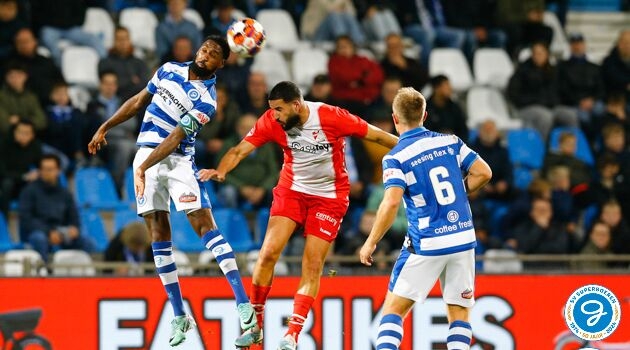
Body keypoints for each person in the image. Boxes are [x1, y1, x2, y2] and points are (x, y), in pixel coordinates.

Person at [200, 80, 399, 349]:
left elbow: (376, 135)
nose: (276, 116)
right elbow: (238, 150)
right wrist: (221, 171)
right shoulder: (272, 120)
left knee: (313, 263)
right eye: (273, 110)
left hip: (329, 197)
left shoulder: (331, 116)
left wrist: (412, 148)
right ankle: (255, 325)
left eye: (280, 110)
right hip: (291, 191)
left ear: (296, 104)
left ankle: (292, 333)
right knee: (268, 253)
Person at [86, 35, 256, 347]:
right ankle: (180, 315)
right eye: (205, 48)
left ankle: (243, 304)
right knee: (157, 233)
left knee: (205, 226)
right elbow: (138, 101)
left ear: (222, 63)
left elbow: (176, 137)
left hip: (177, 163)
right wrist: (105, 127)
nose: (206, 54)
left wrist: (142, 167)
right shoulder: (167, 70)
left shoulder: (207, 100)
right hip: (145, 157)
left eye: (214, 53)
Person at [358, 87, 492, 350]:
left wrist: (371, 241)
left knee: (393, 311)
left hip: (427, 241)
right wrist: (457, 192)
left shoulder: (396, 157)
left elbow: (392, 201)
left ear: (395, 118)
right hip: (463, 238)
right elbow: (484, 173)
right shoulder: (450, 141)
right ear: (425, 115)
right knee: (459, 314)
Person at [18, 154, 94, 262]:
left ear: (58, 170)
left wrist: (74, 228)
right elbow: (26, 219)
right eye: (44, 169)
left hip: (61, 232)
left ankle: (89, 276)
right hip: (37, 232)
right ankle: (44, 273)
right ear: (40, 171)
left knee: (87, 242)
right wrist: (48, 232)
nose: (47, 173)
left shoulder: (65, 193)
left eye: (51, 169)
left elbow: (74, 216)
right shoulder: (29, 191)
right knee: (39, 239)